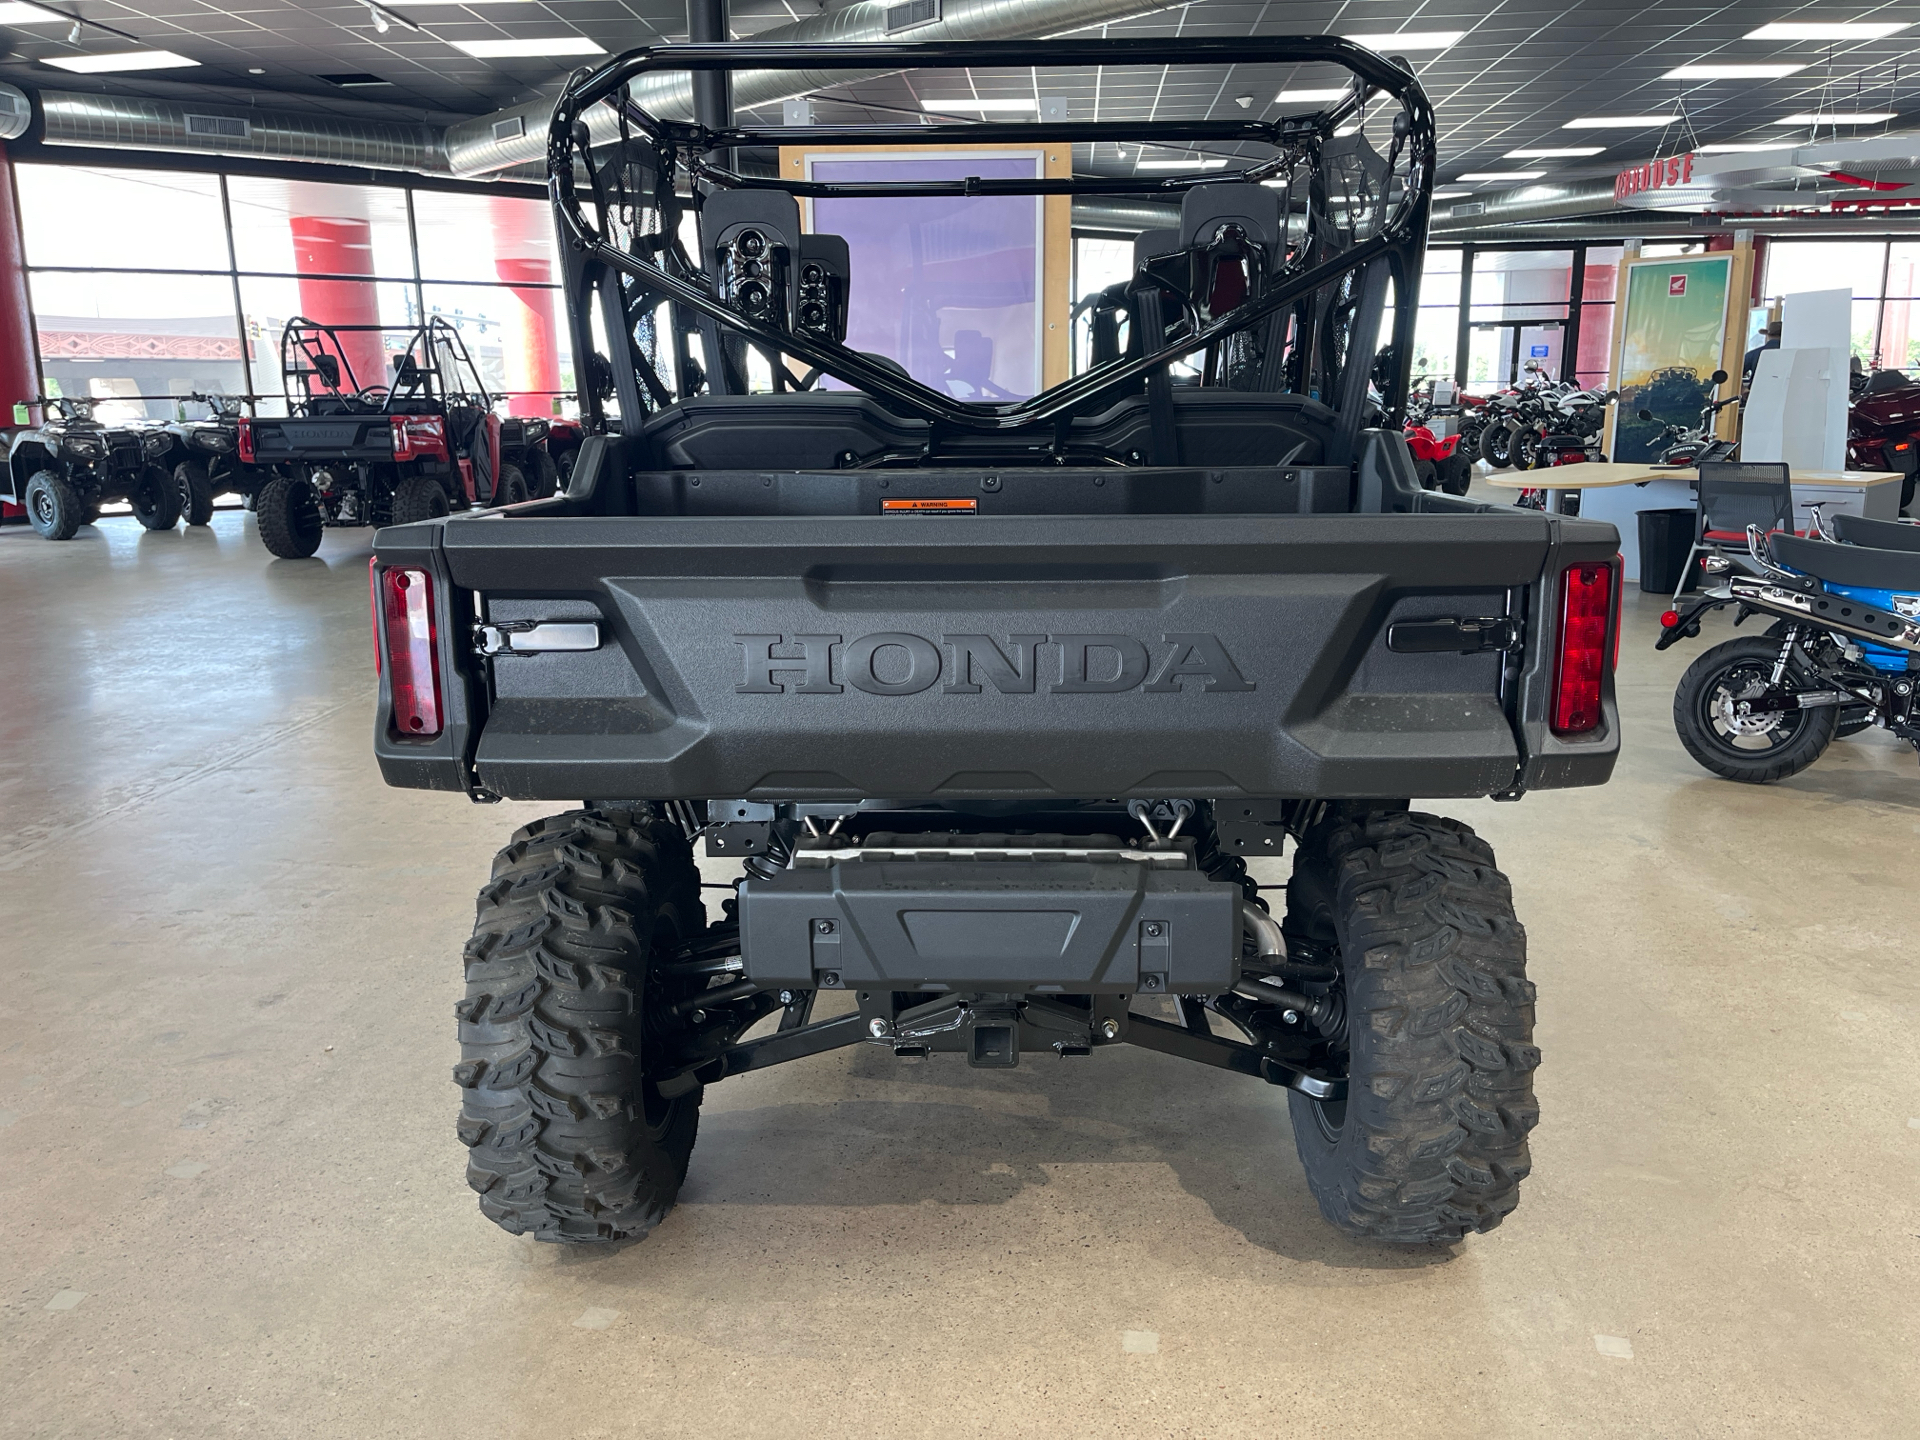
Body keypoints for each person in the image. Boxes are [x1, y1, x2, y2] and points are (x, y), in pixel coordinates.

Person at [1743, 320, 1781, 389]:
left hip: (1756, 392)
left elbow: (1735, 376)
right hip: (1783, 394)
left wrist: (1744, 390)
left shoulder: (1753, 354)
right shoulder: (1792, 354)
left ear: (1768, 335)